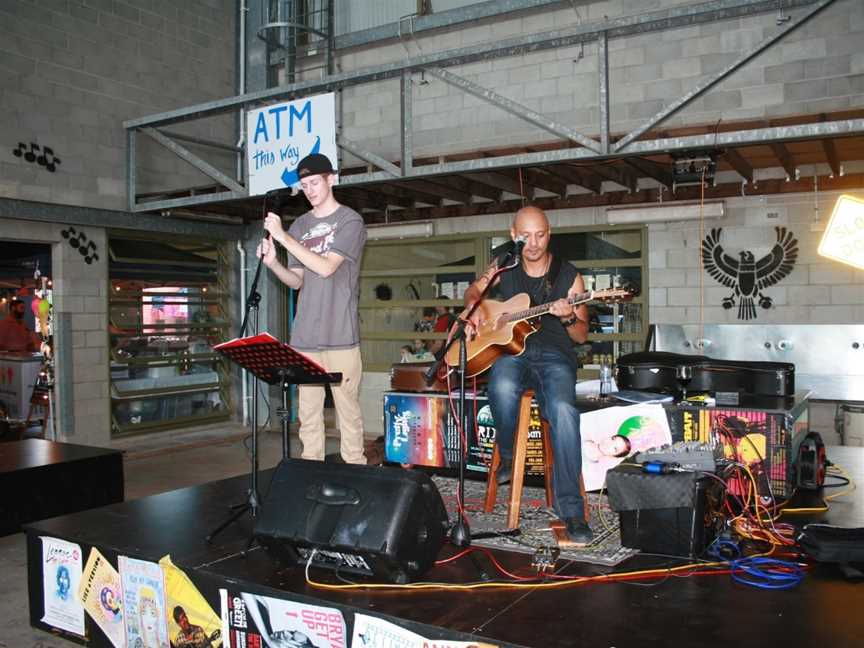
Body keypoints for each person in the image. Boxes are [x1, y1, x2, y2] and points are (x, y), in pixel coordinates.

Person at [462, 205, 593, 545]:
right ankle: (507, 455)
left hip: (554, 356)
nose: (534, 243)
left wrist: (566, 317)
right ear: (513, 235)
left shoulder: (569, 275)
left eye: (541, 235)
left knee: (564, 413)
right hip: (512, 352)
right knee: (501, 384)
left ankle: (572, 511)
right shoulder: (504, 263)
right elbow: (474, 291)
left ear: (549, 233)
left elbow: (581, 335)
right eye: (526, 236)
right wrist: (473, 309)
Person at [257, 153, 367, 464]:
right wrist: (274, 262)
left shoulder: (350, 221)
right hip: (305, 334)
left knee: (347, 410)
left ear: (331, 179)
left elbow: (327, 267)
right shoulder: (301, 224)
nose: (309, 190)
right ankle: (310, 469)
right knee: (308, 413)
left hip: (341, 333)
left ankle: (356, 471)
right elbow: (296, 282)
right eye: (304, 185)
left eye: (314, 182)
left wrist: (283, 238)